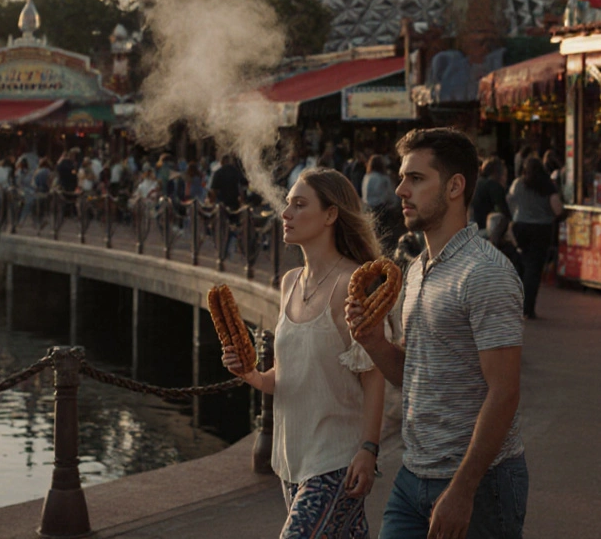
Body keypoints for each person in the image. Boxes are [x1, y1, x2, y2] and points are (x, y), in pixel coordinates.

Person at [348, 127, 527, 539]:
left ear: (455, 187)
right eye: (401, 178)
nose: (400, 190)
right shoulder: (416, 269)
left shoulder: (486, 273)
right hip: (413, 474)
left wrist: (463, 489)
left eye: (415, 178)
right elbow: (414, 373)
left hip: (481, 482)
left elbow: (505, 392)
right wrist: (373, 341)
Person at [222, 167, 386, 538]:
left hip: (336, 463)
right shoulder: (290, 283)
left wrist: (369, 449)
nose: (286, 213)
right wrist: (247, 372)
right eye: (287, 204)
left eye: (299, 205)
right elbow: (284, 377)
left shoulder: (353, 284)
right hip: (291, 461)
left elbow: (373, 376)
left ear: (330, 215)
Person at [508, 156, 564, 319]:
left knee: (522, 264)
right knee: (534, 268)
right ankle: (528, 308)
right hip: (541, 228)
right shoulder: (547, 186)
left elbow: (509, 200)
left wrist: (516, 214)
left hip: (520, 226)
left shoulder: (518, 183)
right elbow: (557, 208)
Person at [470, 157, 510, 231]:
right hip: (486, 230)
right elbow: (505, 214)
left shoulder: (476, 183)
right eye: (505, 175)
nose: (505, 179)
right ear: (497, 174)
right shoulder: (494, 186)